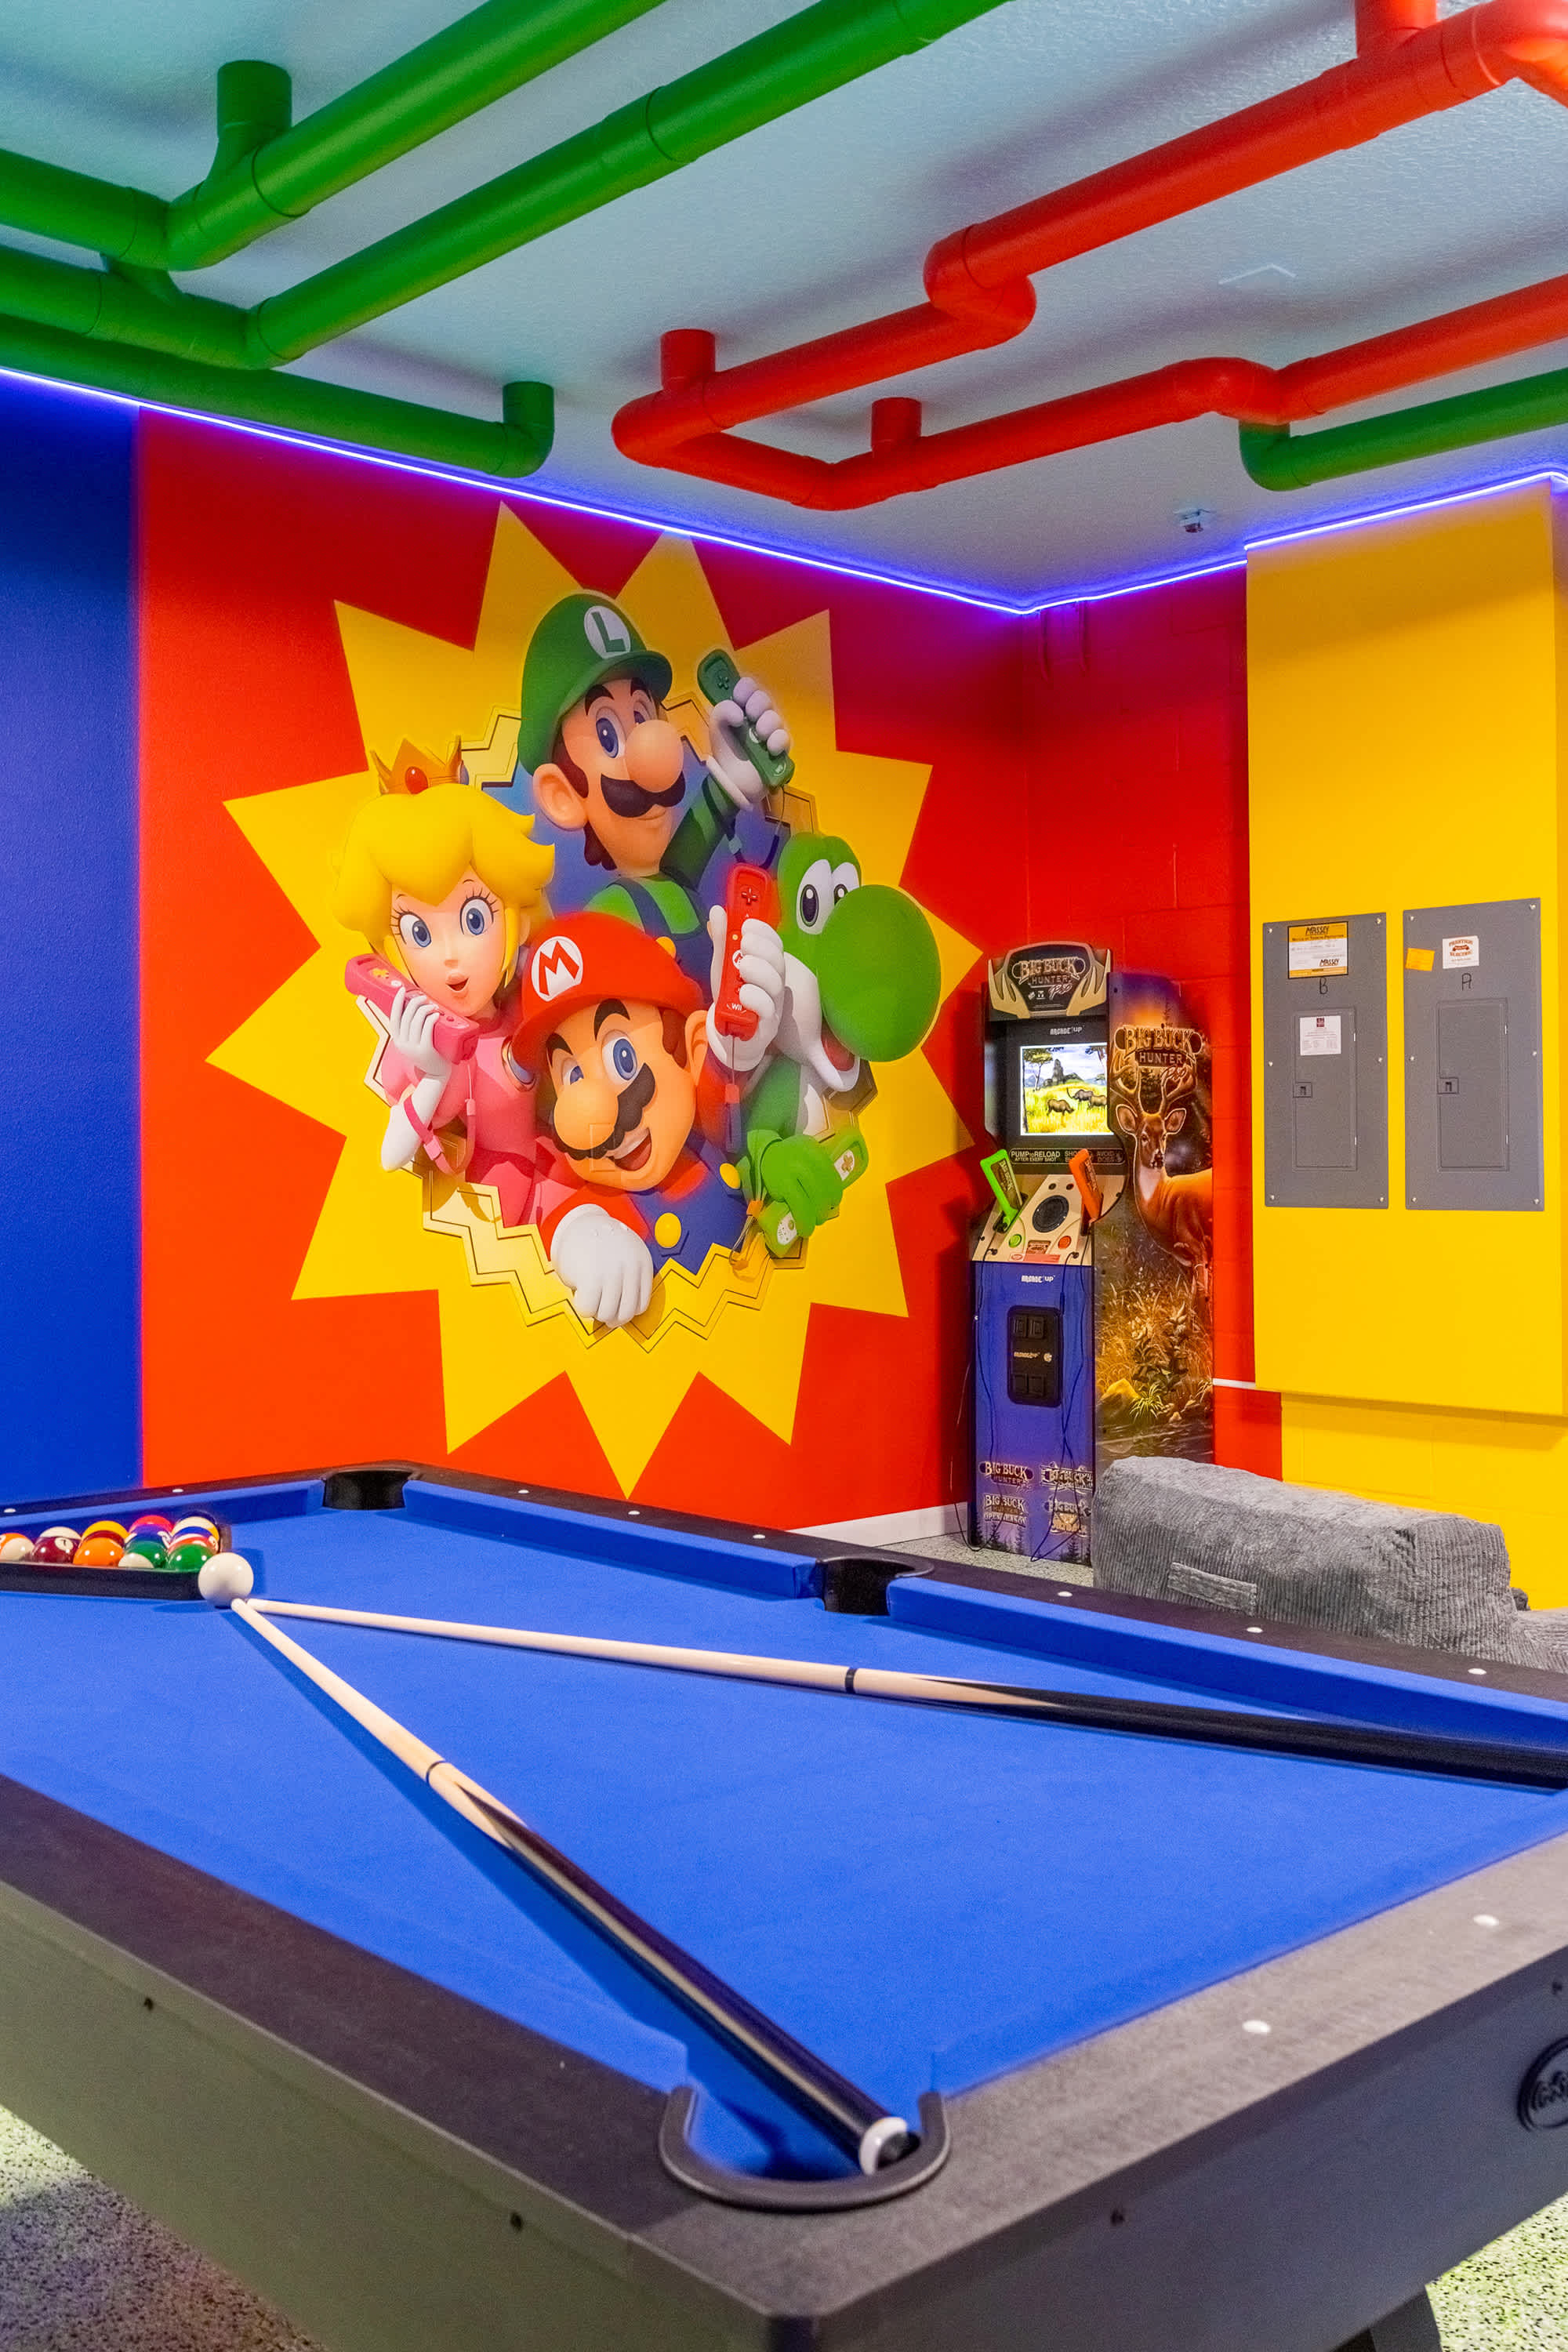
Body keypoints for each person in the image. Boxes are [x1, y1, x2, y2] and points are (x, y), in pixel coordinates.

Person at [510, 913, 778, 1328]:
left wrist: (736, 1052)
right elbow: (567, 1223)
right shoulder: (610, 1200)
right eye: (572, 1076)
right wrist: (583, 1243)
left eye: (623, 1058)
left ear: (689, 1048)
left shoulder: (709, 1133)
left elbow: (731, 1113)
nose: (592, 1114)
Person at [518, 592, 789, 988]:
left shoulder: (676, 875)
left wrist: (733, 779)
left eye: (643, 715)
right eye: (608, 734)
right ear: (562, 795)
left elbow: (703, 828)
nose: (653, 757)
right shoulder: (608, 920)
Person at [334, 753, 555, 1228]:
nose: (450, 955)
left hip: (543, 1185)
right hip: (470, 1206)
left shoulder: (526, 1005)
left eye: (474, 918)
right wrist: (433, 1078)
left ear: (514, 922)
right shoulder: (417, 1041)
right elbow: (392, 1155)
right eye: (417, 932)